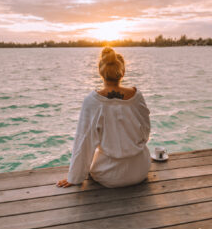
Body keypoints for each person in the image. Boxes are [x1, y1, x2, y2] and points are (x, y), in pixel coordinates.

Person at [56, 46, 151, 189]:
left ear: (100, 72)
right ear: (122, 72)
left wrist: (74, 177)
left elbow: (84, 142)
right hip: (140, 170)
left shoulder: (92, 101)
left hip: (110, 174)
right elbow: (145, 132)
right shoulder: (137, 97)